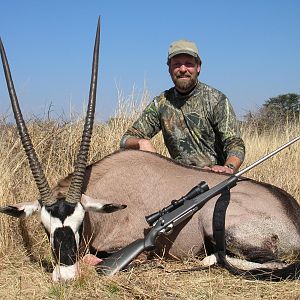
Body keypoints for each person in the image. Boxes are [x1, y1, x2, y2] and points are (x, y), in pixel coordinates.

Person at [120, 39, 245, 174]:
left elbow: (234, 143)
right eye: (177, 64)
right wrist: (141, 142)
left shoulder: (216, 99)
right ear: (169, 69)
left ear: (198, 67)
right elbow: (126, 139)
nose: (183, 69)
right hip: (179, 180)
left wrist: (228, 168)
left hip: (215, 177)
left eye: (189, 64)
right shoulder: (161, 103)